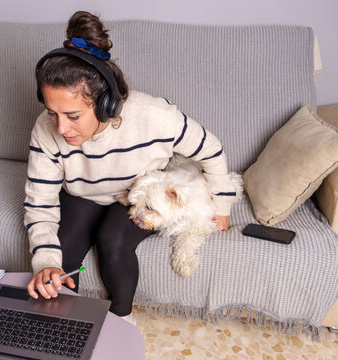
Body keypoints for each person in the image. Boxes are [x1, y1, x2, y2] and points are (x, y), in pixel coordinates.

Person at [25, 11, 239, 320]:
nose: (61, 128)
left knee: (112, 241)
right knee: (63, 255)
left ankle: (120, 320)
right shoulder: (45, 130)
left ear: (105, 103)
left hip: (134, 195)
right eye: (52, 113)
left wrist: (223, 204)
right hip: (81, 195)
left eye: (72, 116)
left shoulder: (155, 116)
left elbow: (211, 149)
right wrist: (46, 262)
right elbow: (39, 204)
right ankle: (63, 328)